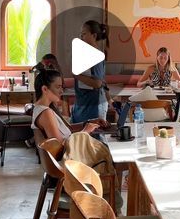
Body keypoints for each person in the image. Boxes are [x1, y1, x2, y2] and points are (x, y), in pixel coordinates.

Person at [31, 69, 119, 203]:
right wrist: (85, 131)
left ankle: (112, 197)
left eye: (62, 87)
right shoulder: (45, 113)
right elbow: (62, 146)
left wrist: (89, 122)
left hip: (66, 161)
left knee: (109, 154)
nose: (61, 91)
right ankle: (110, 200)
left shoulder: (46, 109)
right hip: (67, 165)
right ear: (45, 89)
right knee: (112, 157)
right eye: (58, 87)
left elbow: (68, 130)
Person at [72, 20, 109, 123]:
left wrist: (77, 75)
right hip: (82, 101)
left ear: (94, 35)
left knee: (92, 136)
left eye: (84, 34)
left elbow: (97, 83)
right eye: (81, 34)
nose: (81, 37)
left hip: (93, 105)